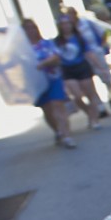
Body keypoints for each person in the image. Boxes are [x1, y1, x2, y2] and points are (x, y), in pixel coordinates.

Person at [23, 18, 76, 148]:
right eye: (27, 28)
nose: (31, 31)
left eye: (33, 27)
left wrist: (43, 64)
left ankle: (67, 135)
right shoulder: (22, 49)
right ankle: (58, 131)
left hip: (53, 78)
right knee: (47, 109)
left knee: (58, 105)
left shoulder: (46, 44)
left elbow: (56, 56)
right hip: (36, 83)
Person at [62, 5, 111, 114]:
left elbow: (103, 33)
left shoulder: (87, 23)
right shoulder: (68, 31)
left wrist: (101, 47)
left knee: (105, 77)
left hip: (96, 53)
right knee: (87, 83)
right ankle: (100, 106)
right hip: (82, 58)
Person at [53, 13, 104, 132]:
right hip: (67, 70)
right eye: (63, 24)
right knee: (76, 96)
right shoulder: (57, 41)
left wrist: (100, 67)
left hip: (82, 67)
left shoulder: (79, 38)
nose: (66, 26)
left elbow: (89, 53)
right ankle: (89, 113)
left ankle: (94, 119)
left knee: (91, 94)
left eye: (68, 24)